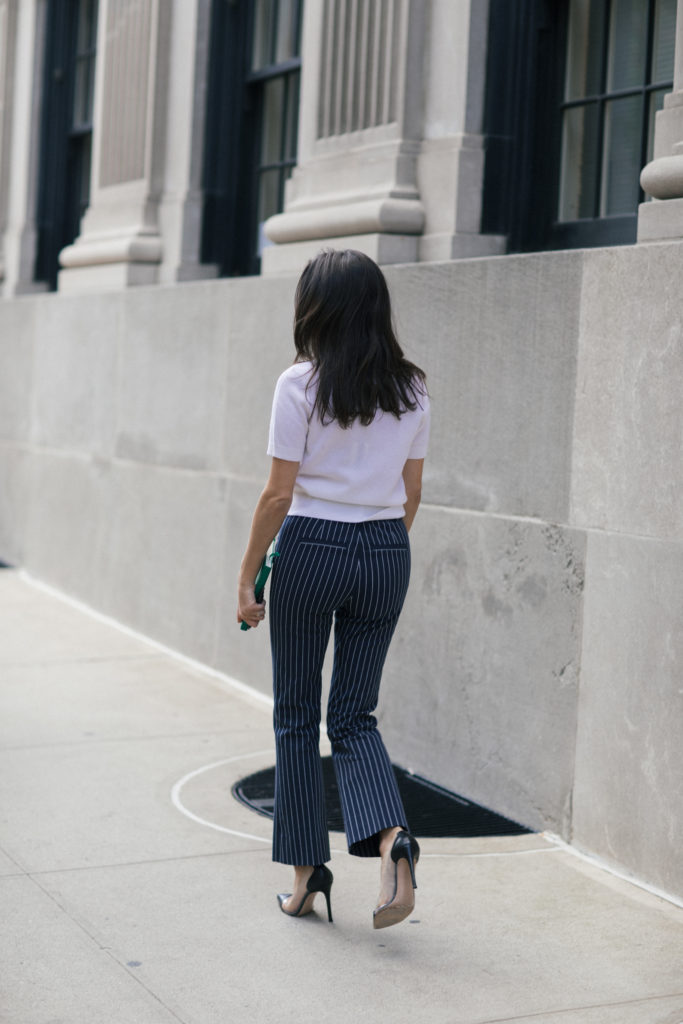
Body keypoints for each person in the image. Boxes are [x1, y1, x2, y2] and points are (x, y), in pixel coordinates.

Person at [237, 248, 430, 929]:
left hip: (312, 547)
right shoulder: (412, 388)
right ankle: (391, 841)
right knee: (353, 716)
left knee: (296, 715)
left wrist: (246, 576)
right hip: (385, 550)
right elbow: (410, 494)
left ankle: (305, 875)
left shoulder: (299, 385)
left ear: (313, 311)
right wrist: (374, 539)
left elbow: (276, 495)